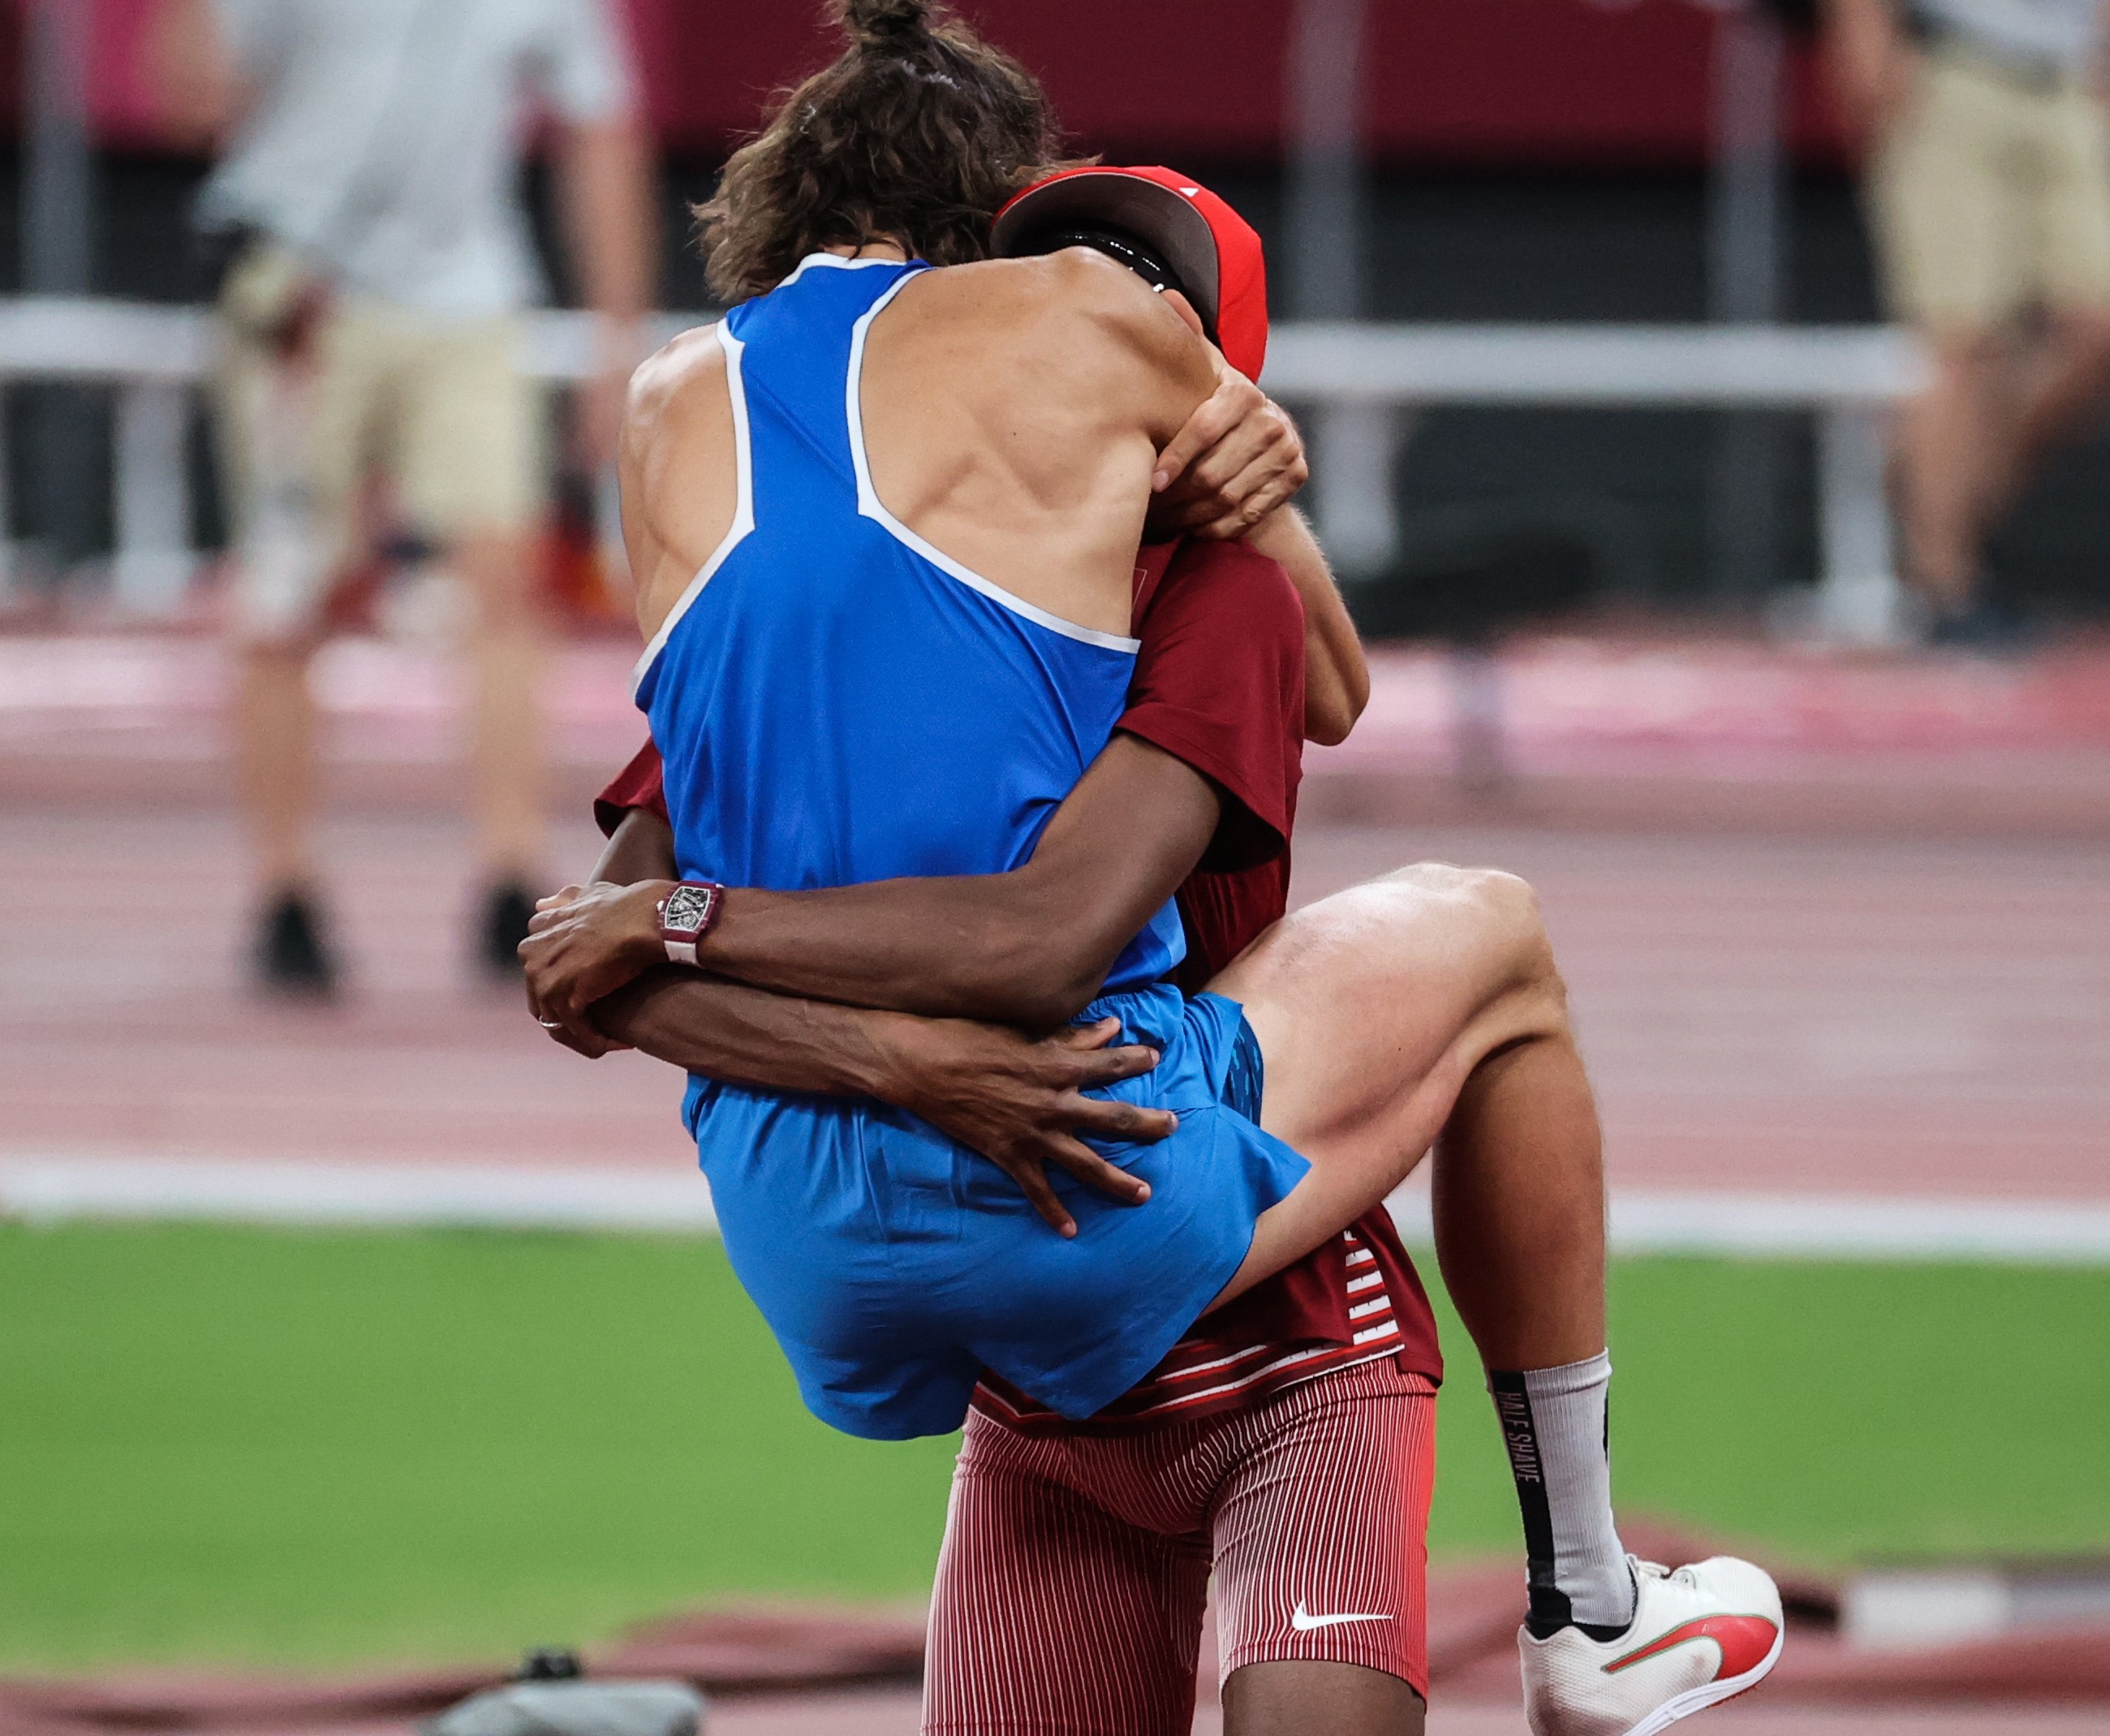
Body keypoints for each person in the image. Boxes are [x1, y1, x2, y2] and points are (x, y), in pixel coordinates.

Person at [525, 10, 1783, 1725]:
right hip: (1103, 1230)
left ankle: (1588, 1589)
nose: (1092, 323)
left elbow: (615, 959)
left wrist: (701, 940)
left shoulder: (777, 497)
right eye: (1078, 280)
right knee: (1496, 937)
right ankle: (1589, 1588)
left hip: (1028, 1294)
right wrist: (1264, 487)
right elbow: (1020, 934)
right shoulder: (1102, 554)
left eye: (1147, 302)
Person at [146, 0, 656, 991]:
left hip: (467, 296)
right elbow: (190, 100)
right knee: (288, 594)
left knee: (506, 579)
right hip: (299, 292)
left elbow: (602, 124)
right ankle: (284, 890)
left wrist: (616, 333)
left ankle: (511, 875)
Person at [1824, 0, 2110, 641]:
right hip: (1952, 65)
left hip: (2067, 74)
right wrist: (1864, 32)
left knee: (2097, 324)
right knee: (1965, 338)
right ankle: (1943, 583)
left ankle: (1935, 503)